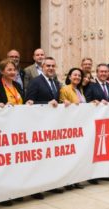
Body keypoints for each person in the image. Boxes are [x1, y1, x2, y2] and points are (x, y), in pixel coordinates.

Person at [25, 57, 64, 197]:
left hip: (52, 126)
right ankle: (36, 190)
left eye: (53, 66)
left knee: (50, 158)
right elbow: (29, 102)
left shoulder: (55, 83)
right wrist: (47, 103)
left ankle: (50, 185)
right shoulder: (36, 82)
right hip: (38, 126)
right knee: (39, 160)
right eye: (48, 66)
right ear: (42, 67)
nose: (51, 68)